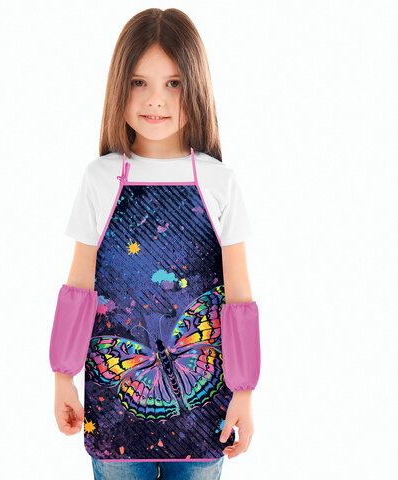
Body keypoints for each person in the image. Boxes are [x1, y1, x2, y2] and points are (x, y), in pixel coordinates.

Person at [49, 8, 261, 480]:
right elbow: (79, 285)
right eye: (139, 82)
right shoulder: (100, 178)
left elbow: (238, 297)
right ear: (119, 86)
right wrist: (63, 375)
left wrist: (244, 391)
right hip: (115, 414)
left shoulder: (219, 182)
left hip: (205, 413)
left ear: (196, 87)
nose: (156, 100)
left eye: (174, 83)